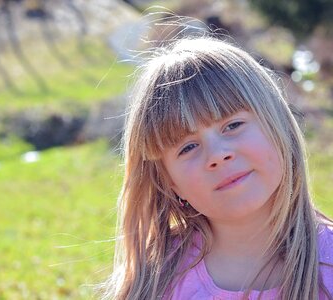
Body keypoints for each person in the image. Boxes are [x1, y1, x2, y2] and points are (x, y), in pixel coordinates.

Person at [101, 35, 333, 299]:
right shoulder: (157, 280)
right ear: (169, 182)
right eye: (187, 147)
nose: (217, 155)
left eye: (233, 125)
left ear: (278, 125)